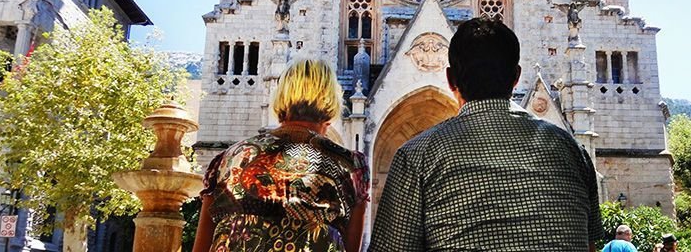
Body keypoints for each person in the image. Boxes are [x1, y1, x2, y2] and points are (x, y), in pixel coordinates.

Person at [369, 17, 602, 252]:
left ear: (450, 79)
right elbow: (590, 247)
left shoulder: (416, 156)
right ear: (516, 77)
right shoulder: (574, 152)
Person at [192, 59, 369, 252]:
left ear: (281, 98)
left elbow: (201, 246)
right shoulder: (351, 167)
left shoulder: (227, 161)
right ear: (331, 104)